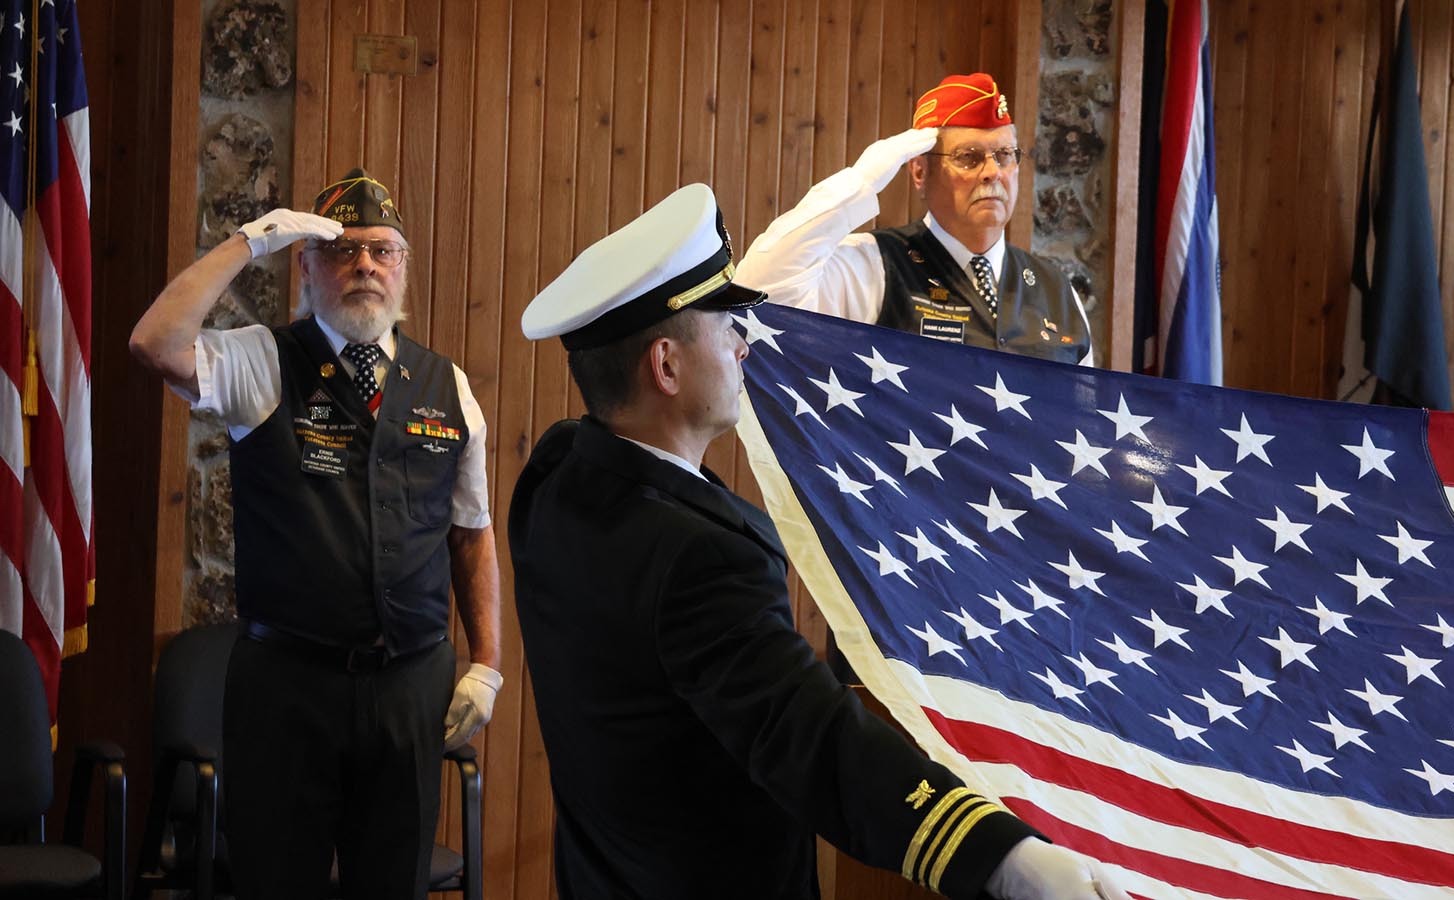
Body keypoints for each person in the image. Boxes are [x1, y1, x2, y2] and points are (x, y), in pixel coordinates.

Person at [509, 183, 1126, 900]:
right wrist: (1002, 857)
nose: (745, 344)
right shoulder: (697, 559)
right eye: (726, 324)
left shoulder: (556, 473)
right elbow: (815, 740)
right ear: (667, 366)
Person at [129, 169, 503, 900]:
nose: (364, 264)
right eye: (343, 249)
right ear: (306, 265)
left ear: (403, 270)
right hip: (288, 690)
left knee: (392, 883)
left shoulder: (447, 386)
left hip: (408, 685)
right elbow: (153, 342)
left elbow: (472, 533)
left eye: (382, 251)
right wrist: (246, 242)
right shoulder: (261, 360)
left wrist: (486, 659)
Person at [736, 72, 1094, 366]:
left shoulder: (1056, 288)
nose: (992, 173)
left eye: (1004, 155)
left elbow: (1085, 423)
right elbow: (758, 293)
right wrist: (861, 182)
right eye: (969, 157)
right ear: (920, 172)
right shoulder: (876, 266)